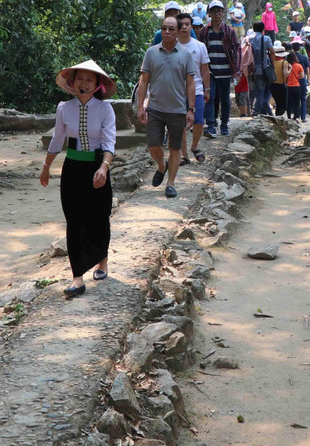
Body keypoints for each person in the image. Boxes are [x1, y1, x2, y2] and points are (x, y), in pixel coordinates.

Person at [40, 60, 117, 298]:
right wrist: (46, 166)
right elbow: (57, 139)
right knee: (74, 221)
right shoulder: (64, 108)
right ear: (73, 82)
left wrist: (104, 167)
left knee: (98, 217)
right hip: (72, 168)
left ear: (97, 85)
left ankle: (101, 261)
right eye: (80, 79)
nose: (84, 84)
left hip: (97, 167)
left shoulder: (106, 110)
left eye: (89, 80)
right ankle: (77, 277)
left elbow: (109, 142)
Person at [136, 16, 197, 198]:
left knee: (175, 148)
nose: (167, 32)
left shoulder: (186, 55)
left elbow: (191, 83)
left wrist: (191, 109)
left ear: (178, 31)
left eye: (171, 29)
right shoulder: (151, 52)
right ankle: (162, 166)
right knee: (153, 145)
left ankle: (170, 183)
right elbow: (143, 80)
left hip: (177, 109)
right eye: (164, 28)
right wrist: (140, 106)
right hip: (154, 108)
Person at [197, 0, 241, 137]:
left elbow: (237, 50)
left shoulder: (228, 31)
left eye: (219, 11)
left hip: (225, 71)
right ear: (209, 13)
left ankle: (224, 124)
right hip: (210, 71)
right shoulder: (205, 31)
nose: (216, 13)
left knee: (225, 99)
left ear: (223, 13)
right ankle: (211, 125)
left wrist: (237, 70)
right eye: (214, 11)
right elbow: (200, 51)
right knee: (209, 98)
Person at [175, 13, 210, 164]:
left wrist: (207, 88)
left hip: (197, 89)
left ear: (191, 26)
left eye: (187, 24)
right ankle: (184, 155)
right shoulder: (171, 45)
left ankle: (194, 146)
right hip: (176, 90)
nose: (184, 27)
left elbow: (204, 69)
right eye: (181, 24)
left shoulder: (199, 46)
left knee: (199, 120)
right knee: (179, 124)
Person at [248, 21, 274, 116]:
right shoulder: (266, 39)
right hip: (261, 69)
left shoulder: (248, 39)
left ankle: (250, 109)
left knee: (252, 91)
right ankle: (255, 111)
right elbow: (272, 51)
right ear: (263, 29)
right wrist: (273, 64)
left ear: (253, 28)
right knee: (260, 91)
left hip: (249, 69)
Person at [291, 40, 310, 122]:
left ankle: (296, 116)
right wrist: (308, 80)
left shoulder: (289, 57)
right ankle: (303, 117)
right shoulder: (304, 58)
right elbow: (307, 70)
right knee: (303, 99)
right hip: (302, 80)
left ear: (292, 48)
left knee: (294, 99)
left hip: (292, 81)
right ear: (300, 49)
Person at [268, 43, 289, 116]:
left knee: (277, 102)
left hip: (272, 85)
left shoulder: (272, 62)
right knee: (282, 104)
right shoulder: (284, 62)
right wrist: (290, 69)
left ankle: (277, 117)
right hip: (281, 85)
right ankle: (279, 118)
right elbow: (285, 74)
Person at [285, 51, 305, 121]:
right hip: (296, 86)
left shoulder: (286, 66)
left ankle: (288, 116)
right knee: (297, 102)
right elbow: (302, 76)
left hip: (288, 86)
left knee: (289, 102)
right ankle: (296, 117)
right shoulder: (299, 66)